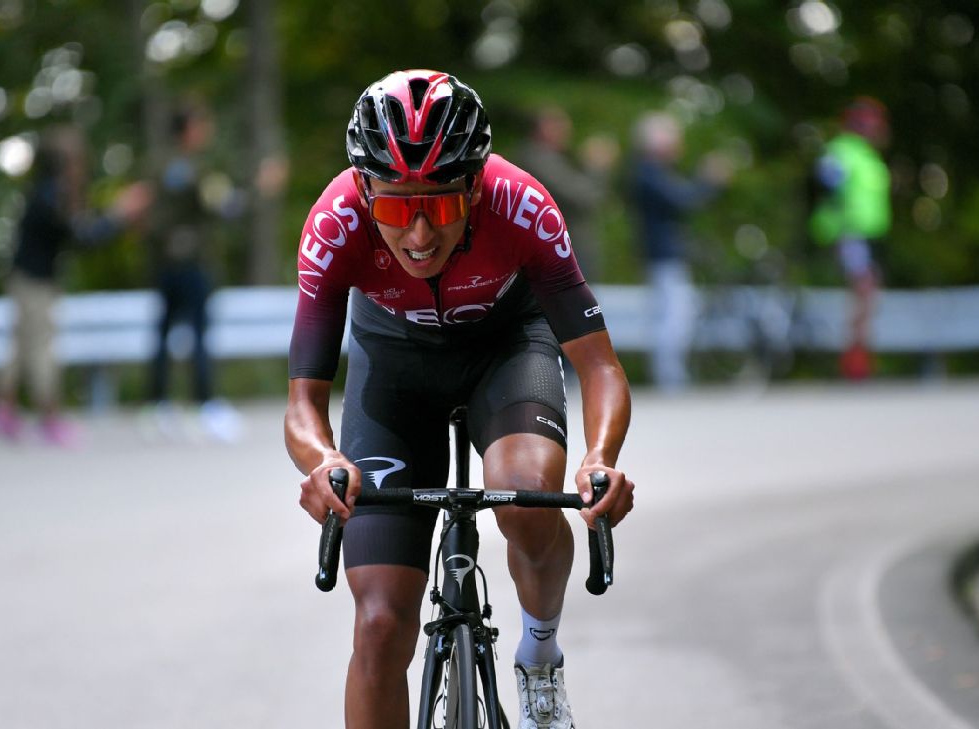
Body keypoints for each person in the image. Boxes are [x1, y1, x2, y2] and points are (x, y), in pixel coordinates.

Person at [285, 69, 635, 729]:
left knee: (526, 494)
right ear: (364, 189)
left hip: (506, 348)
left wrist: (600, 458)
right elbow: (303, 401)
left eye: (440, 208)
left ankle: (540, 657)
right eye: (396, 209)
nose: (419, 235)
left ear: (474, 187)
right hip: (394, 367)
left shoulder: (521, 203)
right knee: (380, 622)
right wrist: (322, 460)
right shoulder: (335, 221)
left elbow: (600, 366)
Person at [0, 125, 151, 446]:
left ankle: (2, 409)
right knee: (41, 348)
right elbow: (83, 236)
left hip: (24, 277)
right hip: (36, 282)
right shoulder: (53, 196)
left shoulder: (44, 191)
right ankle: (49, 418)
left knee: (21, 345)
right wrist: (119, 214)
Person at [142, 101, 242, 443]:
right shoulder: (198, 169)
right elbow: (222, 207)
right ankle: (205, 405)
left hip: (164, 263)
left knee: (163, 334)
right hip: (193, 263)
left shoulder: (158, 164)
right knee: (198, 333)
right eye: (201, 125)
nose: (206, 132)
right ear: (188, 130)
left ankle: (158, 406)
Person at [628, 111, 731, 391]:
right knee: (674, 315)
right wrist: (708, 181)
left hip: (662, 254)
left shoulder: (650, 172)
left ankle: (670, 375)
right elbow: (684, 200)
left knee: (672, 313)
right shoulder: (649, 174)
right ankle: (670, 377)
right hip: (663, 255)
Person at [808, 97, 892, 380]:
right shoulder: (842, 150)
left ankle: (857, 354)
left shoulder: (867, 155)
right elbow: (825, 184)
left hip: (866, 234)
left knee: (866, 291)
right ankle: (855, 360)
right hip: (847, 232)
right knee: (864, 287)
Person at [513, 106, 617, 283]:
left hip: (561, 251)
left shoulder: (549, 158)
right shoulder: (538, 159)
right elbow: (582, 198)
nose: (566, 131)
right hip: (559, 252)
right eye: (558, 126)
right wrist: (596, 167)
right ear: (542, 128)